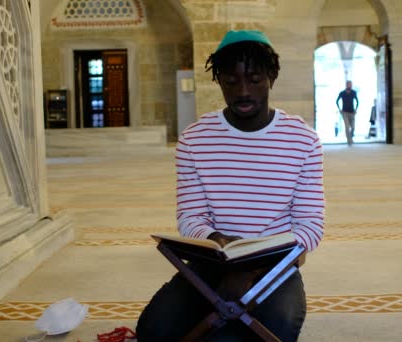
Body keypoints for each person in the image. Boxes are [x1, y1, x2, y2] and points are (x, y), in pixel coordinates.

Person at [136, 30, 325, 341]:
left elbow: (311, 226)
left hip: (275, 267)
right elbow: (191, 218)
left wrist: (250, 269)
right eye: (231, 81)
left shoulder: (303, 140)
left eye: (254, 79)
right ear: (219, 81)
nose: (243, 92)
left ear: (271, 77)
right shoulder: (194, 139)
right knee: (153, 330)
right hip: (213, 260)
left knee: (273, 329)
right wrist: (219, 246)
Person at [336, 81, 359, 145]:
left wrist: (356, 109)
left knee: (353, 127)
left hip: (352, 112)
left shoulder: (354, 93)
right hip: (344, 112)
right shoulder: (342, 93)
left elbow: (357, 102)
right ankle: (349, 140)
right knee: (347, 126)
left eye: (351, 84)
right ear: (346, 85)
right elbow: (337, 101)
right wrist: (339, 109)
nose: (350, 86)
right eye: (349, 84)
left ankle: (351, 137)